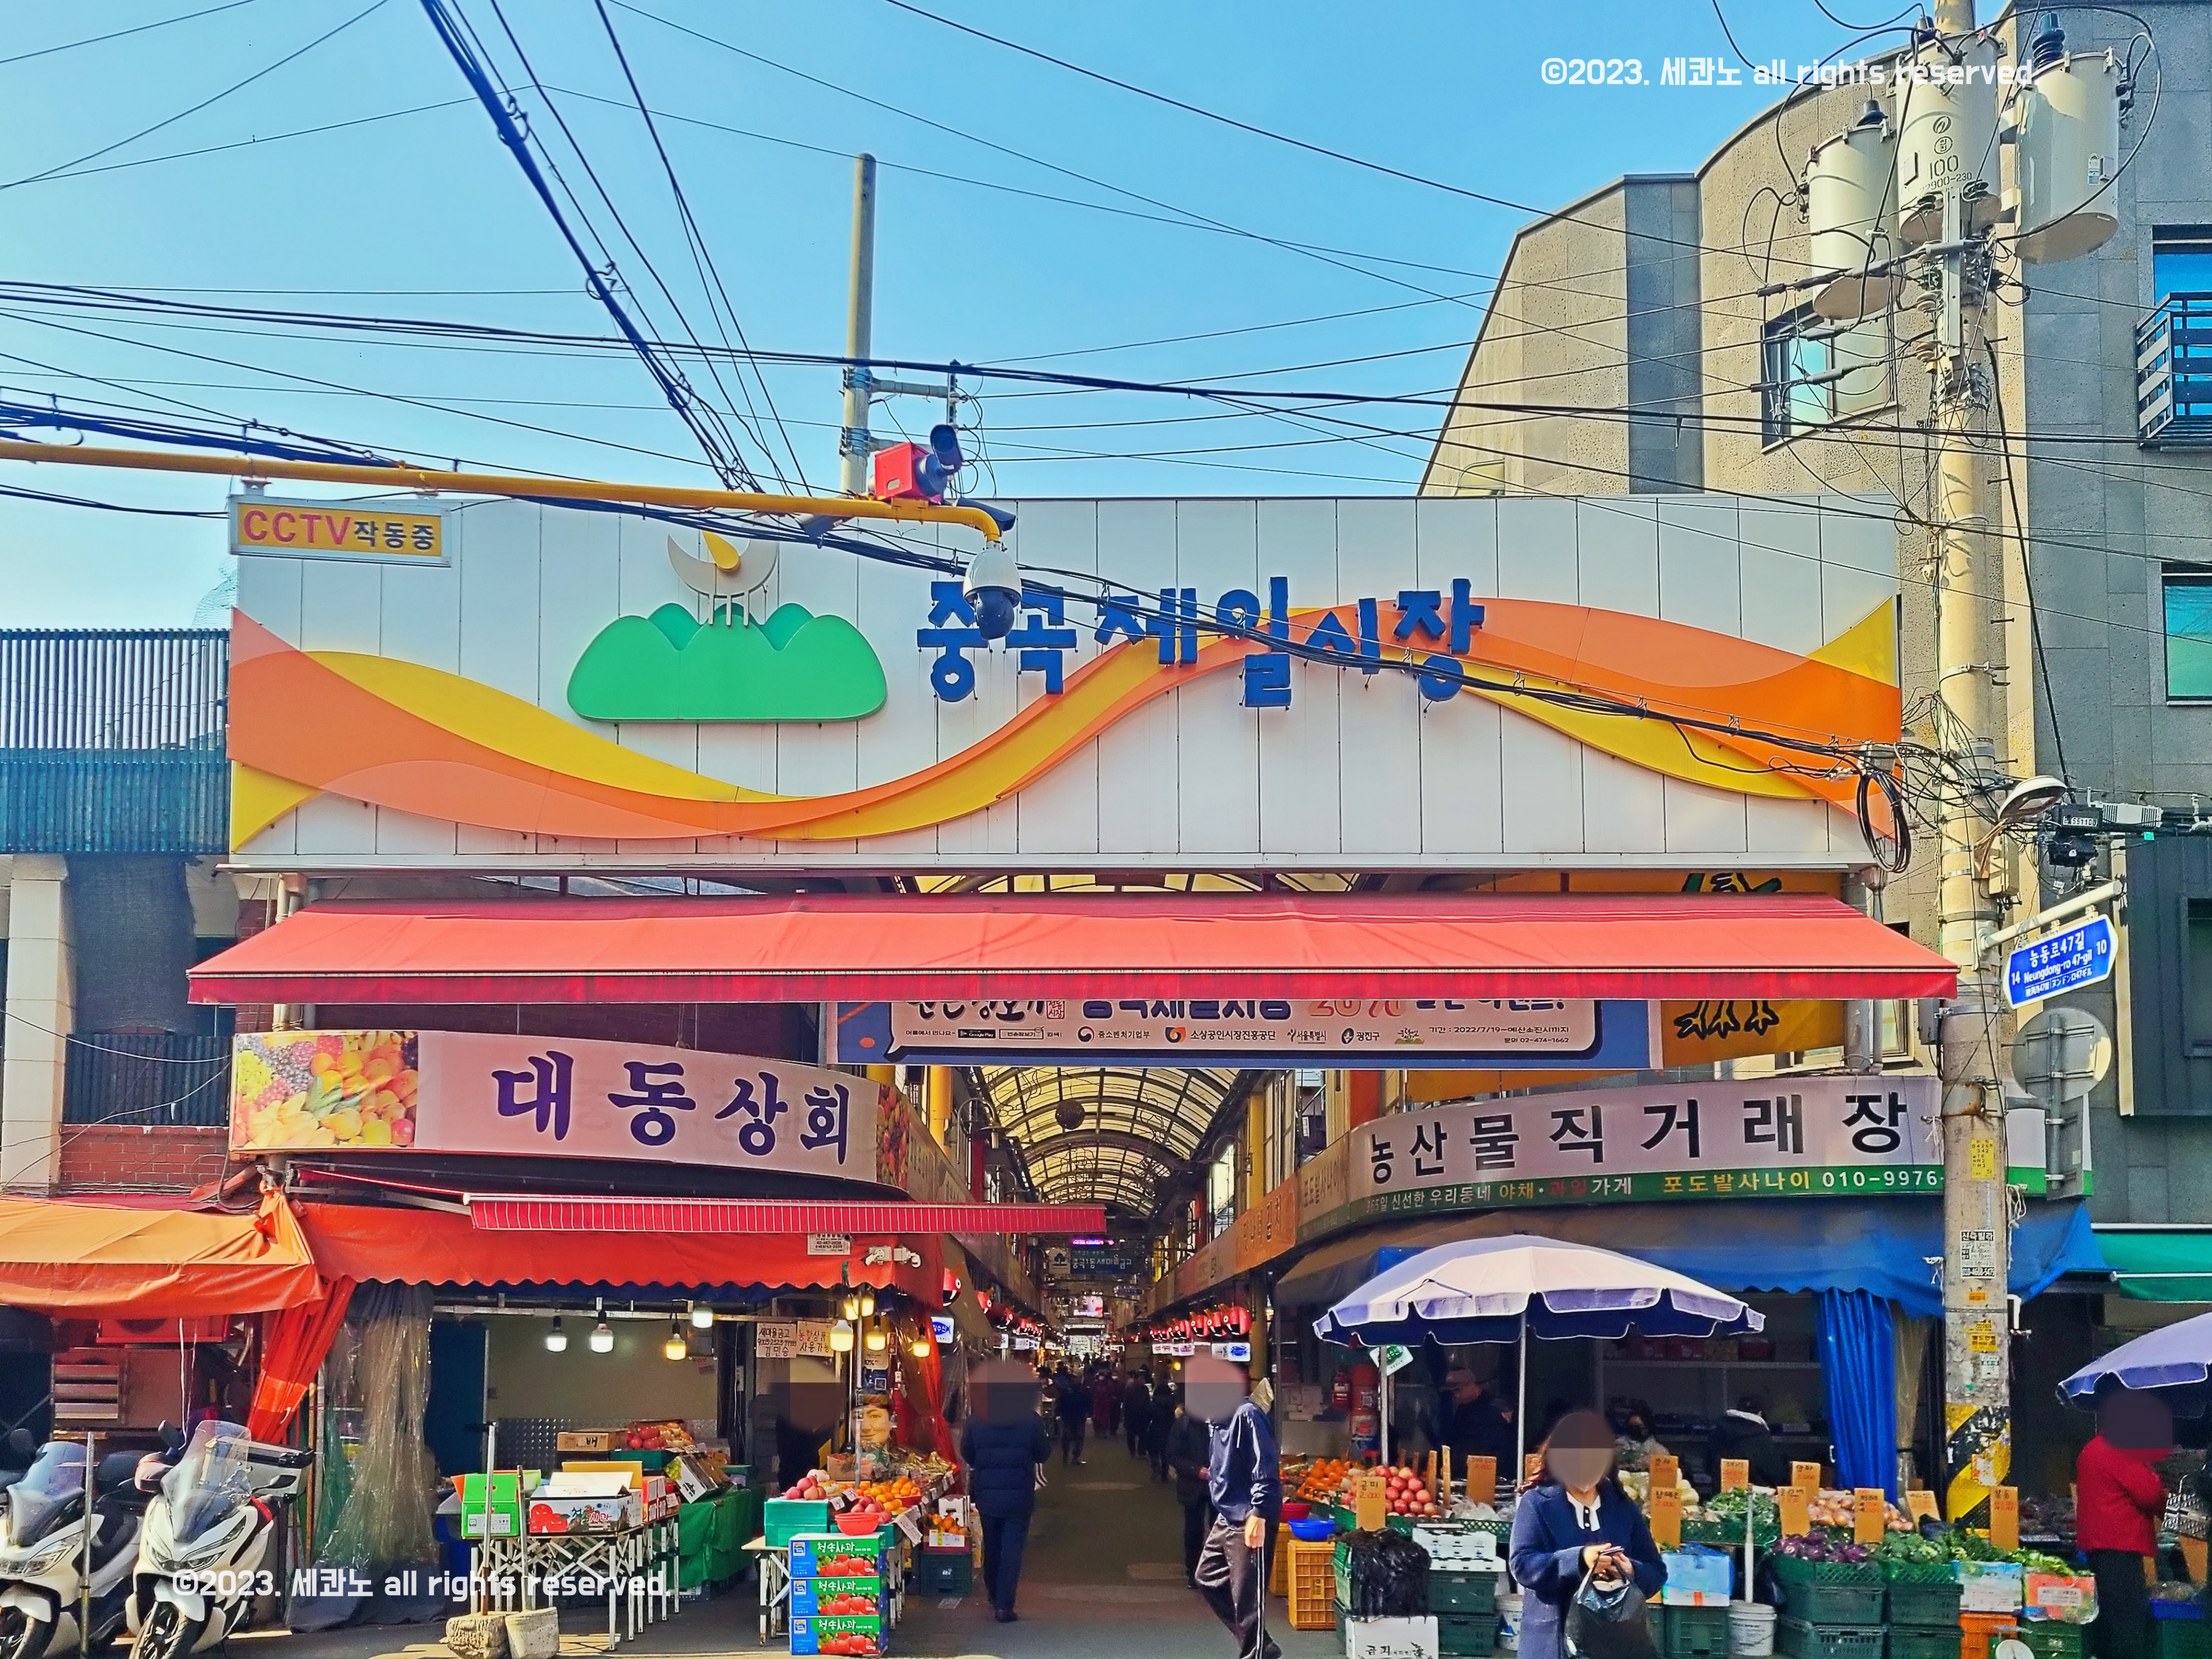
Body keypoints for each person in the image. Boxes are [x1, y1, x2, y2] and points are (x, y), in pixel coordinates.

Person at [1508, 1408, 1667, 1659]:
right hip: (1552, 1641)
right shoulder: (1537, 1503)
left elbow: (1656, 1570)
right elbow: (1523, 1564)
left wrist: (1630, 1570)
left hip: (1611, 1643)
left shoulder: (1624, 1508)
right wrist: (1580, 1560)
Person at [1189, 1356, 1282, 1659]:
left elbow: (1265, 1467)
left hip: (1248, 1516)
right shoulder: (1216, 1422)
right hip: (1226, 1516)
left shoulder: (1247, 1415)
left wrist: (1260, 1512)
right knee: (1207, 1578)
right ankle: (1261, 1644)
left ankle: (1256, 1652)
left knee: (1247, 1597)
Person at [2077, 1383, 2171, 1659]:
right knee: (2127, 1619)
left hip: (2099, 1543)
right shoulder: (2118, 1450)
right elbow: (2148, 1493)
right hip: (2119, 1544)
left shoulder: (2093, 1448)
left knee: (2108, 1614)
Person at [958, 1360, 1053, 1624]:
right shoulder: (1031, 1420)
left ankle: (992, 1593)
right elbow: (1043, 1453)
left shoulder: (976, 1420)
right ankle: (1004, 1605)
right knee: (1012, 1550)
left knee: (992, 1544)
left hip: (987, 1494)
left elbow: (968, 1453)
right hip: (1019, 1495)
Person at [1438, 1356, 1518, 1478]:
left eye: (1458, 1390)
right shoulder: (1462, 1410)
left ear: (1471, 1385)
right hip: (1462, 1475)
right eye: (1453, 1393)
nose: (1456, 1396)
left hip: (1491, 1475)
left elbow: (1503, 1445)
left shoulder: (1496, 1407)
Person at [1168, 1391, 1217, 1586]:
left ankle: (1216, 1570)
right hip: (1193, 1485)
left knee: (1219, 1529)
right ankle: (1194, 1571)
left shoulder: (1224, 1422)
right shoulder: (1185, 1423)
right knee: (1194, 1529)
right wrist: (1197, 1471)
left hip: (1219, 1485)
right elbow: (1173, 1455)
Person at [1706, 1395, 1791, 1488]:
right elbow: (1776, 1474)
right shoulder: (1760, 1436)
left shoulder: (1718, 1432)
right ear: (1760, 1413)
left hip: (1721, 1494)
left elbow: (1707, 1465)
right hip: (1756, 1494)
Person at [1614, 1402, 1671, 1474]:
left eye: (1638, 1427)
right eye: (1631, 1426)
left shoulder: (1659, 1451)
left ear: (1648, 1428)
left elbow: (1663, 1475)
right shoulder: (1617, 1446)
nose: (1634, 1430)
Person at [1056, 1365, 1089, 1465]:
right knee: (1067, 1437)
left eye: (1076, 1377)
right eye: (1073, 1377)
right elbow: (1061, 1402)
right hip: (1068, 1416)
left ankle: (1075, 1457)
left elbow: (1088, 1402)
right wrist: (1059, 1413)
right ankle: (1066, 1454)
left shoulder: (1083, 1390)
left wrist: (1089, 1413)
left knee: (1079, 1437)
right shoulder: (1066, 1390)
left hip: (1079, 1417)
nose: (1074, 1379)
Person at [1147, 1372, 1176, 1480]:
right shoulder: (1171, 1404)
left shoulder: (1153, 1404)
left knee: (1154, 1451)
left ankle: (1156, 1468)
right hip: (1168, 1430)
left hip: (1155, 1429)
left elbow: (1148, 1417)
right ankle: (1165, 1473)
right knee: (1165, 1453)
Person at [1124, 1369, 1153, 1457]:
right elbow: (1126, 1403)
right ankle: (1133, 1451)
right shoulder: (1130, 1389)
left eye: (1143, 1379)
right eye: (1141, 1379)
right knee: (1131, 1435)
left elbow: (1147, 1402)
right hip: (1132, 1415)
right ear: (1136, 1379)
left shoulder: (1145, 1389)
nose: (1143, 1381)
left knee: (1142, 1434)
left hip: (1142, 1415)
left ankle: (1141, 1452)